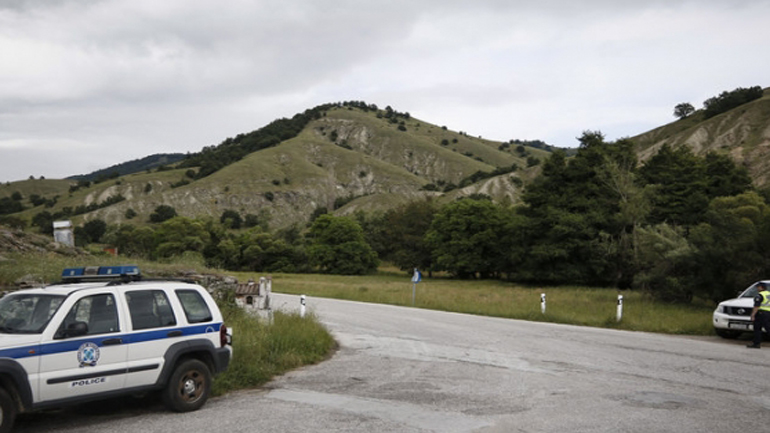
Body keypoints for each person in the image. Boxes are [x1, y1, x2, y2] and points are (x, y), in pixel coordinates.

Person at [747, 281, 770, 348]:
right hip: (768, 313)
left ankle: (756, 344)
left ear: (761, 287)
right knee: (768, 328)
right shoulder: (769, 294)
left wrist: (753, 315)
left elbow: (756, 306)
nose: (757, 288)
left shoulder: (760, 295)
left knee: (757, 329)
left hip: (761, 313)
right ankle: (756, 343)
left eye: (758, 287)